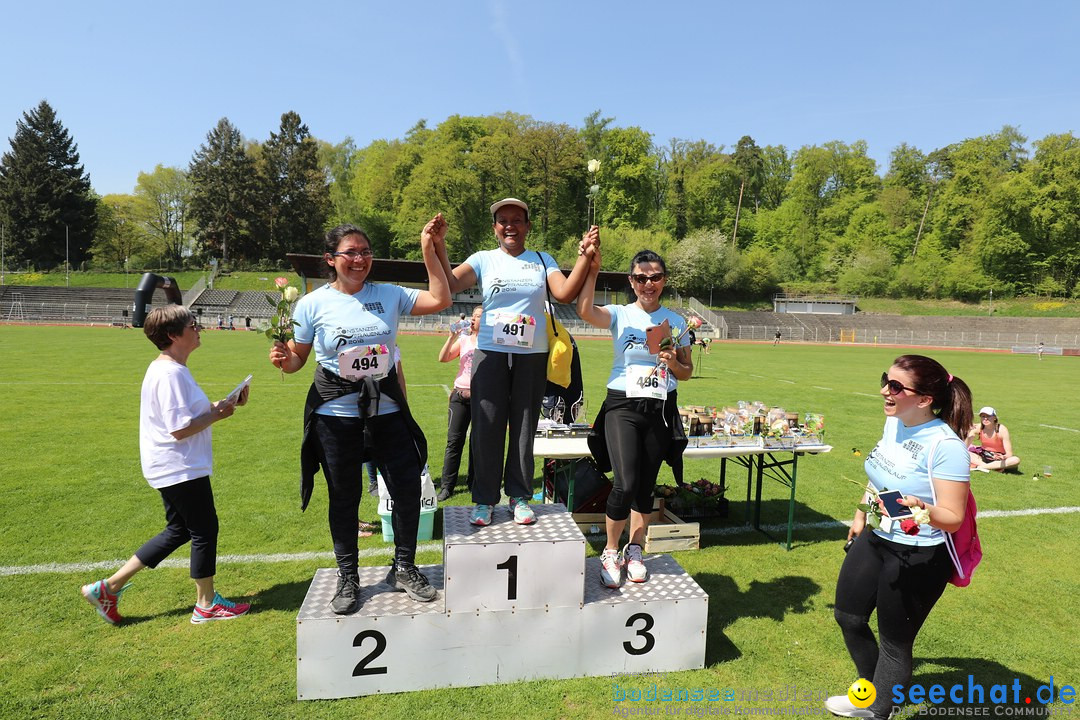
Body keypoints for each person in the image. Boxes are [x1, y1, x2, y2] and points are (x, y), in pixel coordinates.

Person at [269, 217, 451, 614]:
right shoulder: (311, 303)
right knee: (344, 496)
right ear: (330, 259)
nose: (360, 259)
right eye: (350, 253)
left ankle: (403, 567)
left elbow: (441, 299)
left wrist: (429, 250)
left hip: (386, 409)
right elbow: (297, 360)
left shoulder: (388, 294)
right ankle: (348, 576)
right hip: (335, 414)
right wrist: (283, 360)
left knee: (406, 491)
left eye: (365, 252)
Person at [80, 305, 251, 625]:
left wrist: (221, 405)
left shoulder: (171, 369)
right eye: (192, 324)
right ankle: (206, 605)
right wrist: (218, 414)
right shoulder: (170, 373)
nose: (199, 328)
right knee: (203, 528)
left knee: (179, 530)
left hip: (171, 464)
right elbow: (178, 428)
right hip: (179, 465)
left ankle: (109, 587)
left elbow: (185, 416)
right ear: (173, 335)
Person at [826, 355, 973, 720]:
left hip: (920, 554)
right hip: (877, 537)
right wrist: (861, 512)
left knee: (895, 642)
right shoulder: (895, 423)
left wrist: (919, 507)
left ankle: (879, 710)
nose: (883, 391)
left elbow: (953, 518)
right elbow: (880, 477)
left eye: (894, 387)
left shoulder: (945, 446)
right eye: (885, 381)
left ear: (923, 399)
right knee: (848, 616)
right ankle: (870, 691)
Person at [437, 198, 598, 527]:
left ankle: (520, 497)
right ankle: (484, 500)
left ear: (527, 225)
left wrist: (584, 256)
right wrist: (438, 246)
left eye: (517, 220)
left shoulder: (542, 260)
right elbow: (452, 284)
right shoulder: (483, 259)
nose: (510, 225)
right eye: (502, 220)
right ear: (494, 228)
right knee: (487, 427)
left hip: (531, 354)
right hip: (490, 353)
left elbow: (565, 292)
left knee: (525, 428)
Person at [576, 248, 693, 587]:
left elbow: (686, 372)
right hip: (623, 406)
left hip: (660, 408)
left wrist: (672, 362)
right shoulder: (619, 314)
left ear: (664, 280)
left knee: (645, 485)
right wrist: (592, 270)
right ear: (632, 281)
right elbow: (584, 310)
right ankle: (611, 550)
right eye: (641, 278)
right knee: (625, 483)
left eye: (655, 277)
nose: (648, 283)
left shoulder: (676, 321)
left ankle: (635, 548)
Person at [436, 305, 483, 501]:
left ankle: (474, 483)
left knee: (477, 443)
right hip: (459, 396)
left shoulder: (490, 342)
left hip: (481, 399)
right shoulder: (463, 340)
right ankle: (447, 486)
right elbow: (443, 358)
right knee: (454, 442)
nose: (473, 318)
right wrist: (451, 337)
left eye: (478, 316)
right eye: (473, 315)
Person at [967, 406, 1021, 473]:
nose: (985, 419)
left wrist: (1003, 457)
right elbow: (965, 446)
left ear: (995, 418)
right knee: (964, 452)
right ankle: (991, 466)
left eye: (988, 416)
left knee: (1015, 460)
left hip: (999, 458)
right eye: (983, 416)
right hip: (983, 456)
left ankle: (982, 467)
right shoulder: (978, 427)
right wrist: (969, 432)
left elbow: (1009, 454)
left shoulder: (1001, 430)